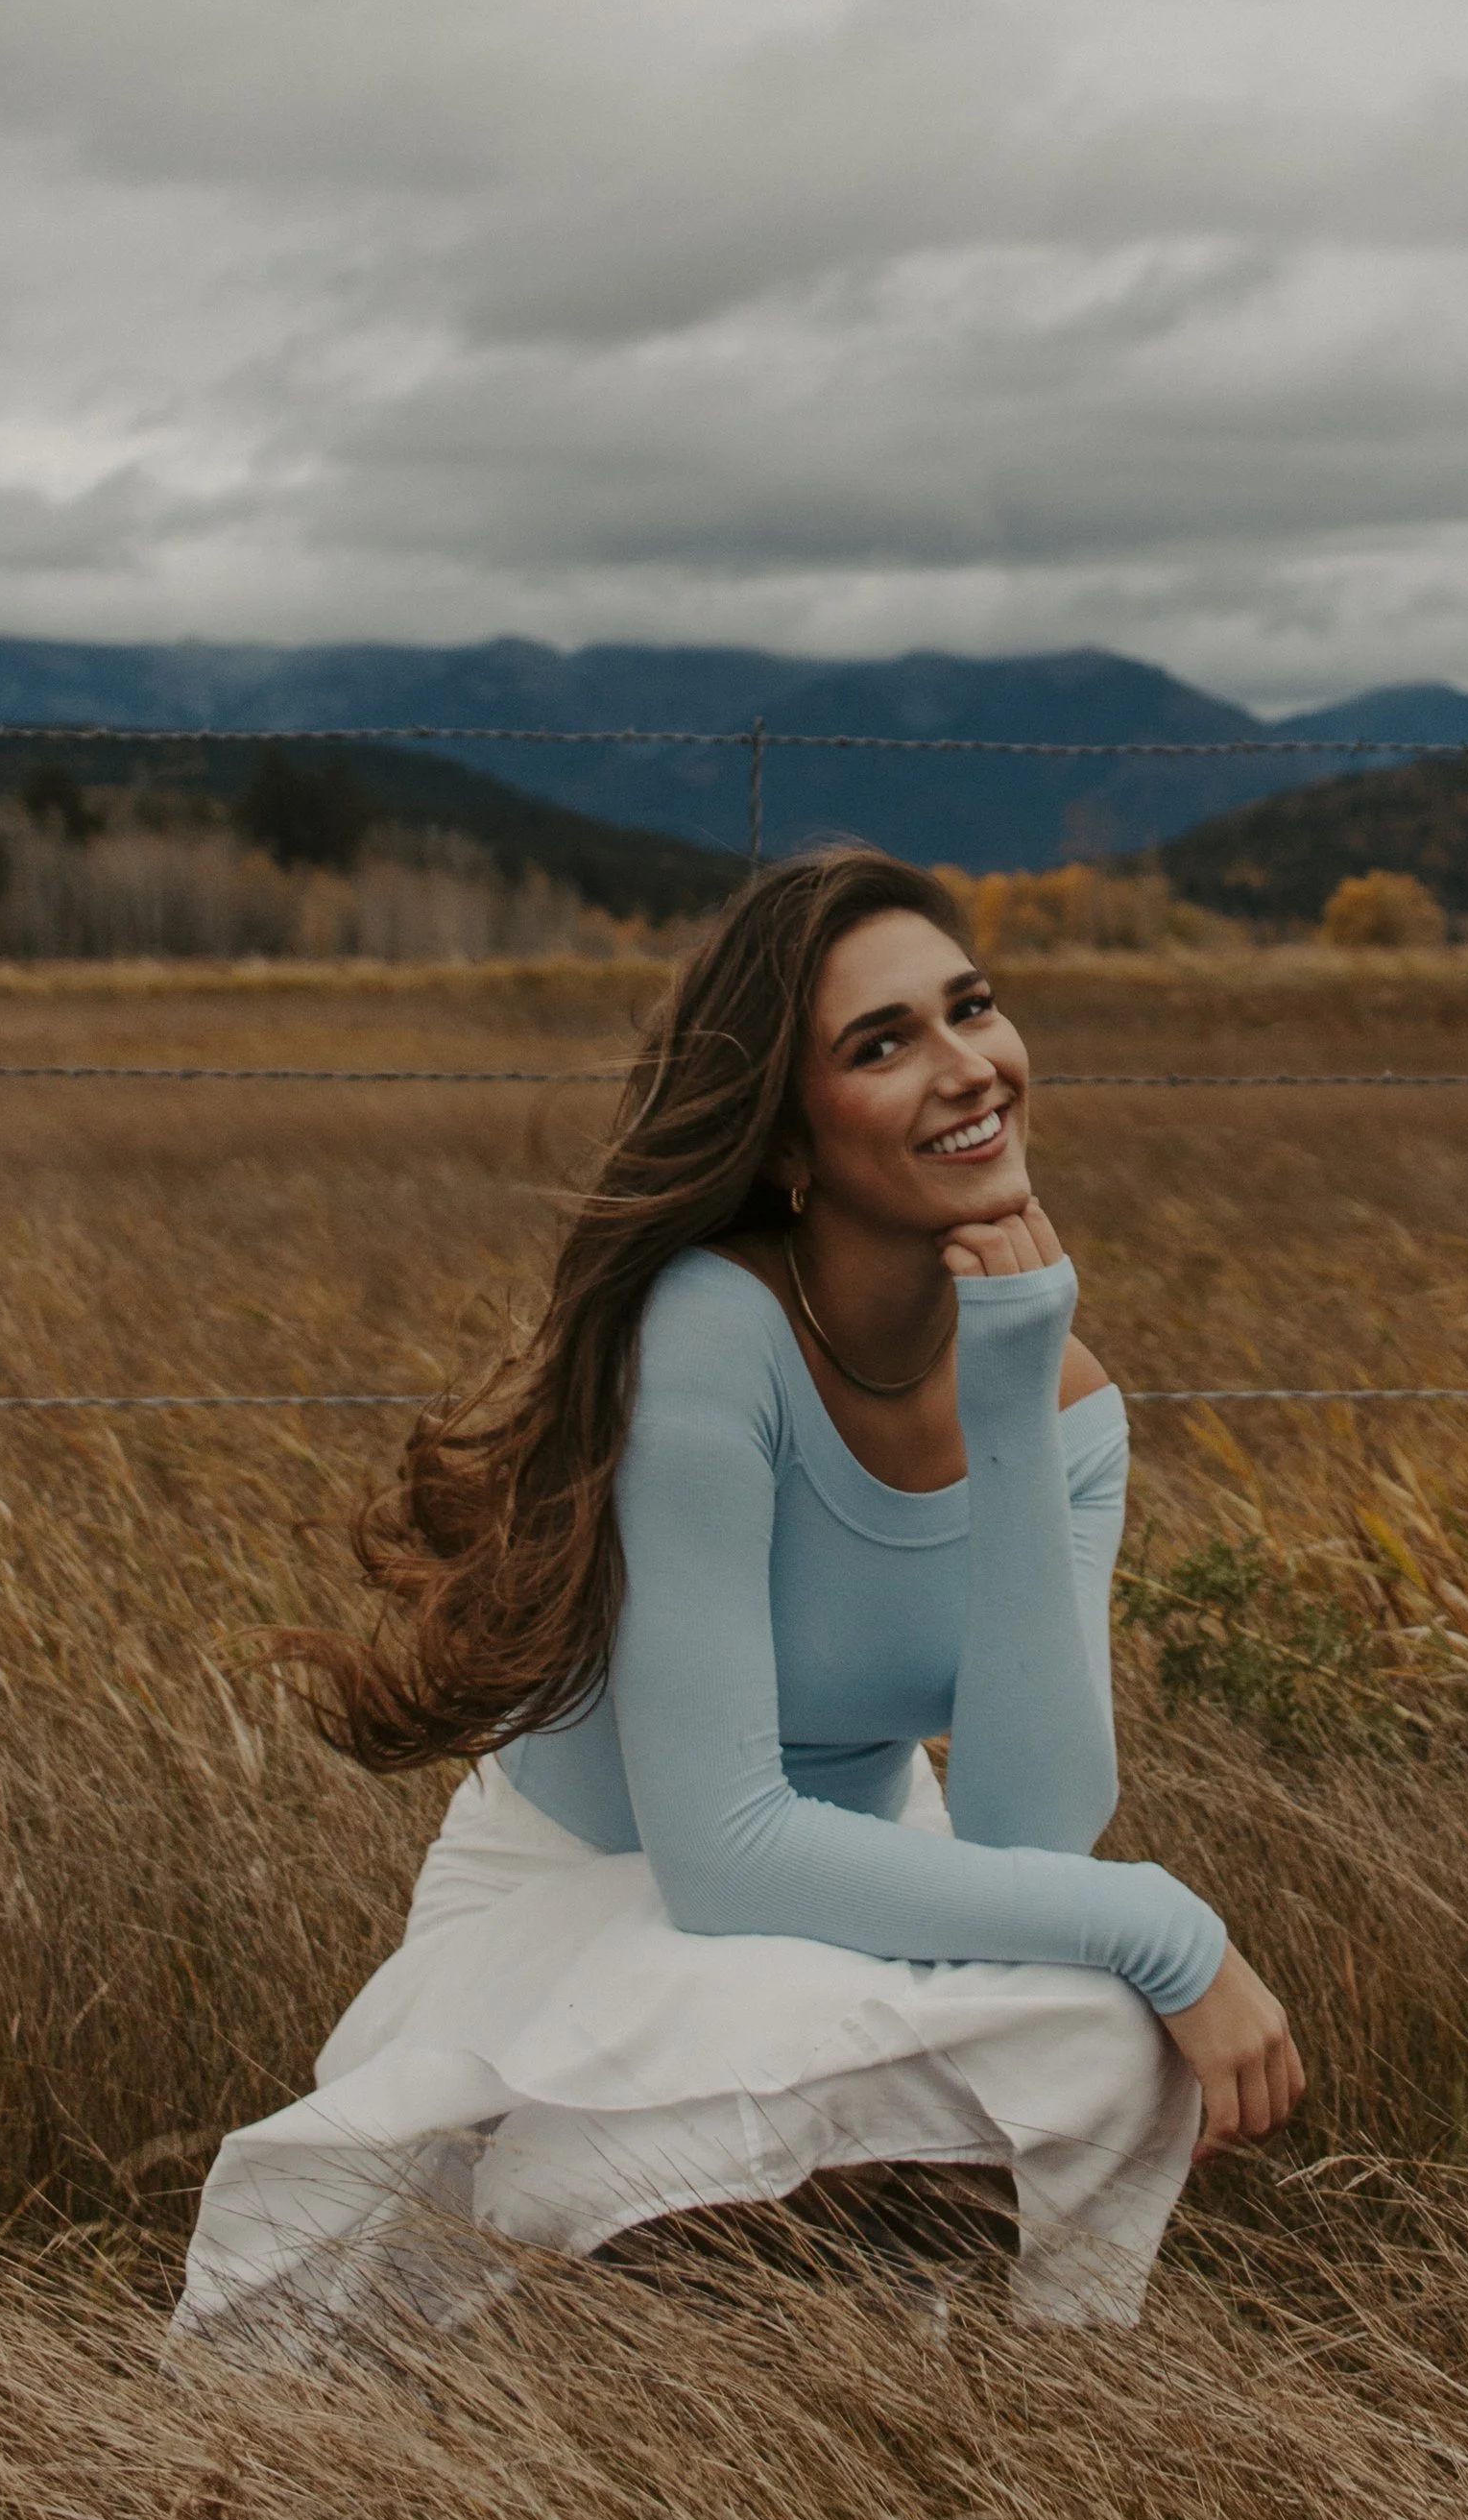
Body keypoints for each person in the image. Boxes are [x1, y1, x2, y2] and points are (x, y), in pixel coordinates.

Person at [176, 847, 1303, 2343]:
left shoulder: (1072, 1408)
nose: (969, 1068)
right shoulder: (712, 1327)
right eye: (883, 1042)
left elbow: (1031, 1831)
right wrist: (1168, 1922)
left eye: (974, 1007)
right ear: (789, 1140)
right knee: (1113, 1979)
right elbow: (718, 1852)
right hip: (593, 1896)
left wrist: (1018, 1385)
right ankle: (629, 2329)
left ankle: (950, 2405)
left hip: (838, 1874)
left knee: (1109, 2036)